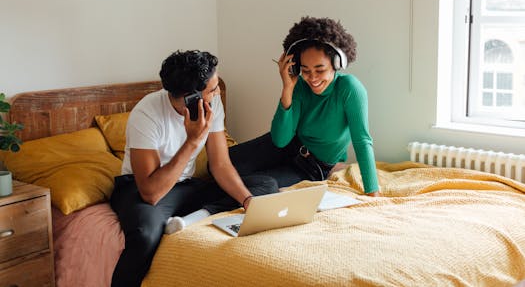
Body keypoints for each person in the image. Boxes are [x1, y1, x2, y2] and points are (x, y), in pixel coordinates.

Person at [110, 50, 278, 287]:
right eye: (212, 89)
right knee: (145, 235)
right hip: (141, 189)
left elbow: (220, 164)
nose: (218, 93)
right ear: (192, 97)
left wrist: (247, 200)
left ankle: (190, 220)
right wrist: (192, 141)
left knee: (264, 186)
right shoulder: (146, 113)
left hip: (185, 186)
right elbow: (151, 192)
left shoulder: (213, 103)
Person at [229, 16, 380, 196]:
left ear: (337, 63)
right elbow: (280, 140)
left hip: (311, 168)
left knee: (256, 186)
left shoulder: (349, 89)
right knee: (219, 164)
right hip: (286, 146)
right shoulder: (299, 86)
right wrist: (287, 88)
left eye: (320, 70)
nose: (313, 78)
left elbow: (362, 141)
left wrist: (373, 191)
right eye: (306, 71)